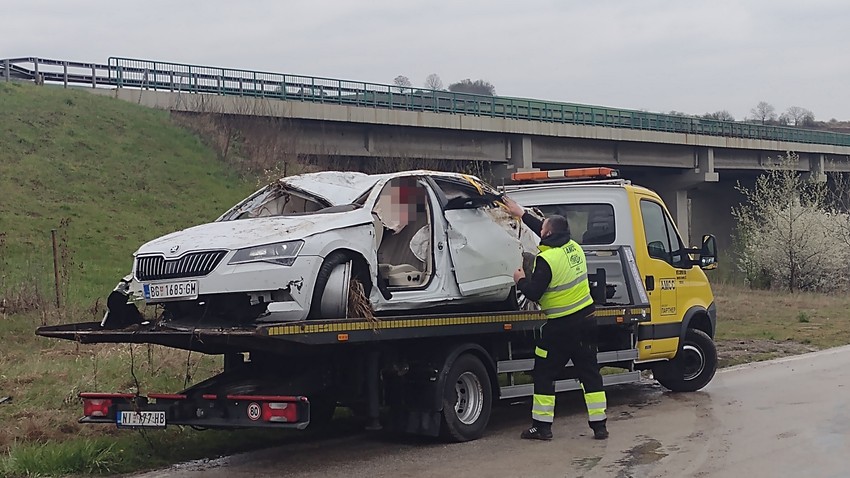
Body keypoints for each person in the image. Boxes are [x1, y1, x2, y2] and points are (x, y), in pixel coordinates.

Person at [502, 196, 609, 441]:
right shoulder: (574, 248)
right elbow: (547, 226)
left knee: (544, 373)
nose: (540, 230)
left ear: (548, 234)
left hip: (560, 328)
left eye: (543, 229)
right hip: (587, 321)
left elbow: (533, 293)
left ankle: (542, 427)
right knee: (590, 373)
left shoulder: (547, 260)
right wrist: (521, 213)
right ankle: (600, 426)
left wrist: (519, 278)